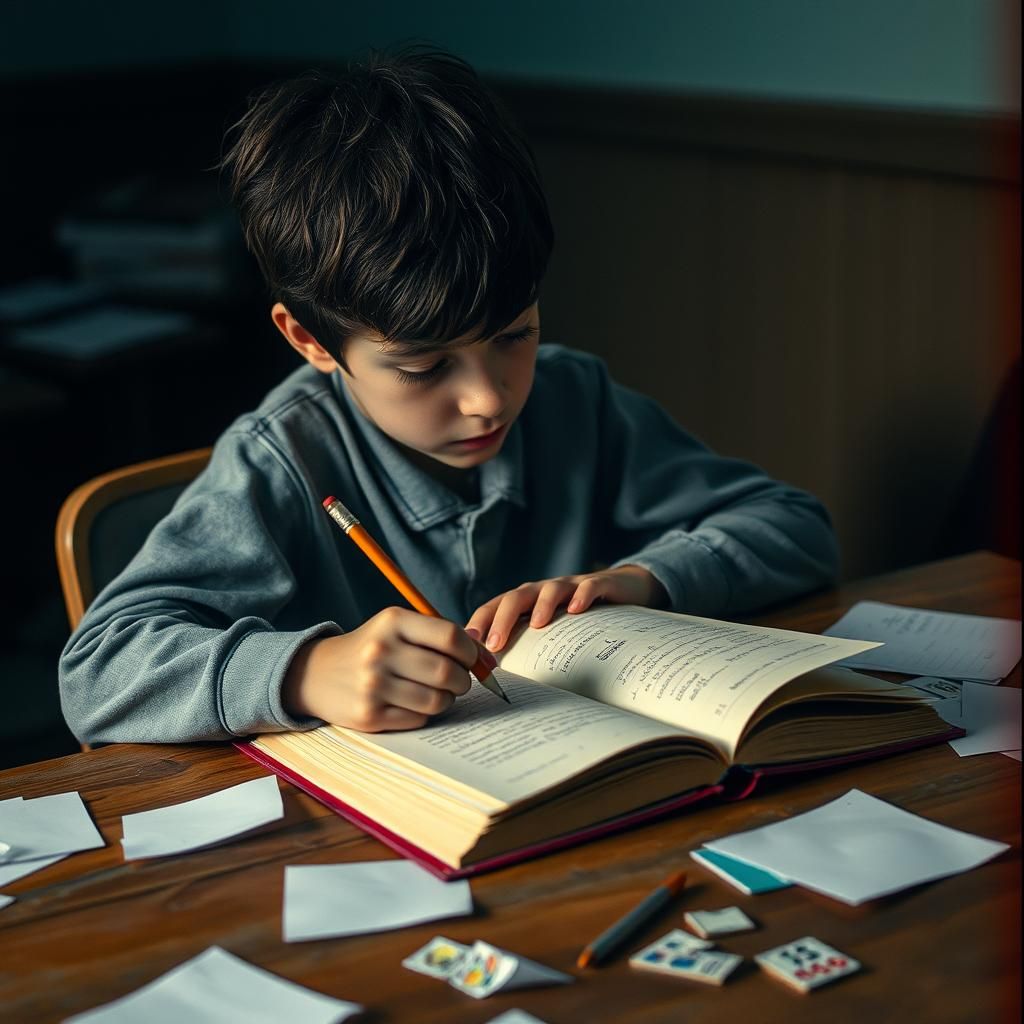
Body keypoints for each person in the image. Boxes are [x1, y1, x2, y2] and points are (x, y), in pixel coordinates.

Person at [59, 48, 839, 746]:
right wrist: (305, 670)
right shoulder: (283, 459)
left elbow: (797, 527)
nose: (487, 401)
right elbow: (97, 670)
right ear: (308, 340)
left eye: (515, 334)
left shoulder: (575, 398)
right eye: (425, 367)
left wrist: (644, 580)